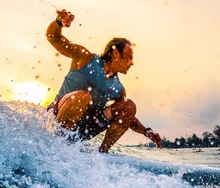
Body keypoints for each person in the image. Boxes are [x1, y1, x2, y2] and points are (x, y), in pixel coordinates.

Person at [45, 9, 162, 153]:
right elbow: (53, 37)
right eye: (128, 57)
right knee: (83, 97)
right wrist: (59, 22)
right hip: (57, 119)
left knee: (128, 106)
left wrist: (146, 131)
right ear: (115, 53)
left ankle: (103, 153)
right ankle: (56, 144)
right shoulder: (85, 58)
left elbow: (128, 117)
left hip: (84, 129)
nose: (131, 63)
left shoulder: (118, 88)